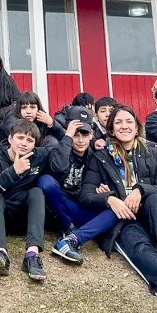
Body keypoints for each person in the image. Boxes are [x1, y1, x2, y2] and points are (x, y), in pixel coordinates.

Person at [79, 105, 157, 297]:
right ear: (111, 129)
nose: (124, 126)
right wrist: (110, 199)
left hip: (151, 211)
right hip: (123, 217)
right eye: (118, 122)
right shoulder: (100, 157)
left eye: (129, 121)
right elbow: (86, 195)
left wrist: (140, 190)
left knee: (155, 197)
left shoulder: (153, 153)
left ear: (137, 127)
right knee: (136, 243)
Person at [37, 106, 119, 266]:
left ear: (91, 135)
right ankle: (67, 227)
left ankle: (72, 239)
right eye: (76, 135)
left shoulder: (96, 156)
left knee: (116, 210)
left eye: (85, 134)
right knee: (46, 182)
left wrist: (103, 193)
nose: (80, 140)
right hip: (59, 207)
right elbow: (58, 168)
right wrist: (67, 138)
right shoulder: (58, 147)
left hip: (82, 206)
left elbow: (102, 185)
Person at [0, 119, 51, 282]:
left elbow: (61, 155)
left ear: (34, 145)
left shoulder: (38, 156)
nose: (24, 143)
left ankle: (32, 255)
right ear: (10, 139)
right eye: (20, 138)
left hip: (22, 218)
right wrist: (13, 171)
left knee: (37, 192)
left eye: (30, 140)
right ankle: (0, 253)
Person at [0, 91, 65, 149]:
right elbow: (22, 142)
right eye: (24, 108)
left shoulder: (42, 117)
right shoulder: (12, 119)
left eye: (32, 107)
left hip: (36, 154)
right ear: (19, 109)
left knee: (51, 141)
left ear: (38, 108)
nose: (28, 111)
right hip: (13, 155)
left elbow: (65, 137)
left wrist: (51, 123)